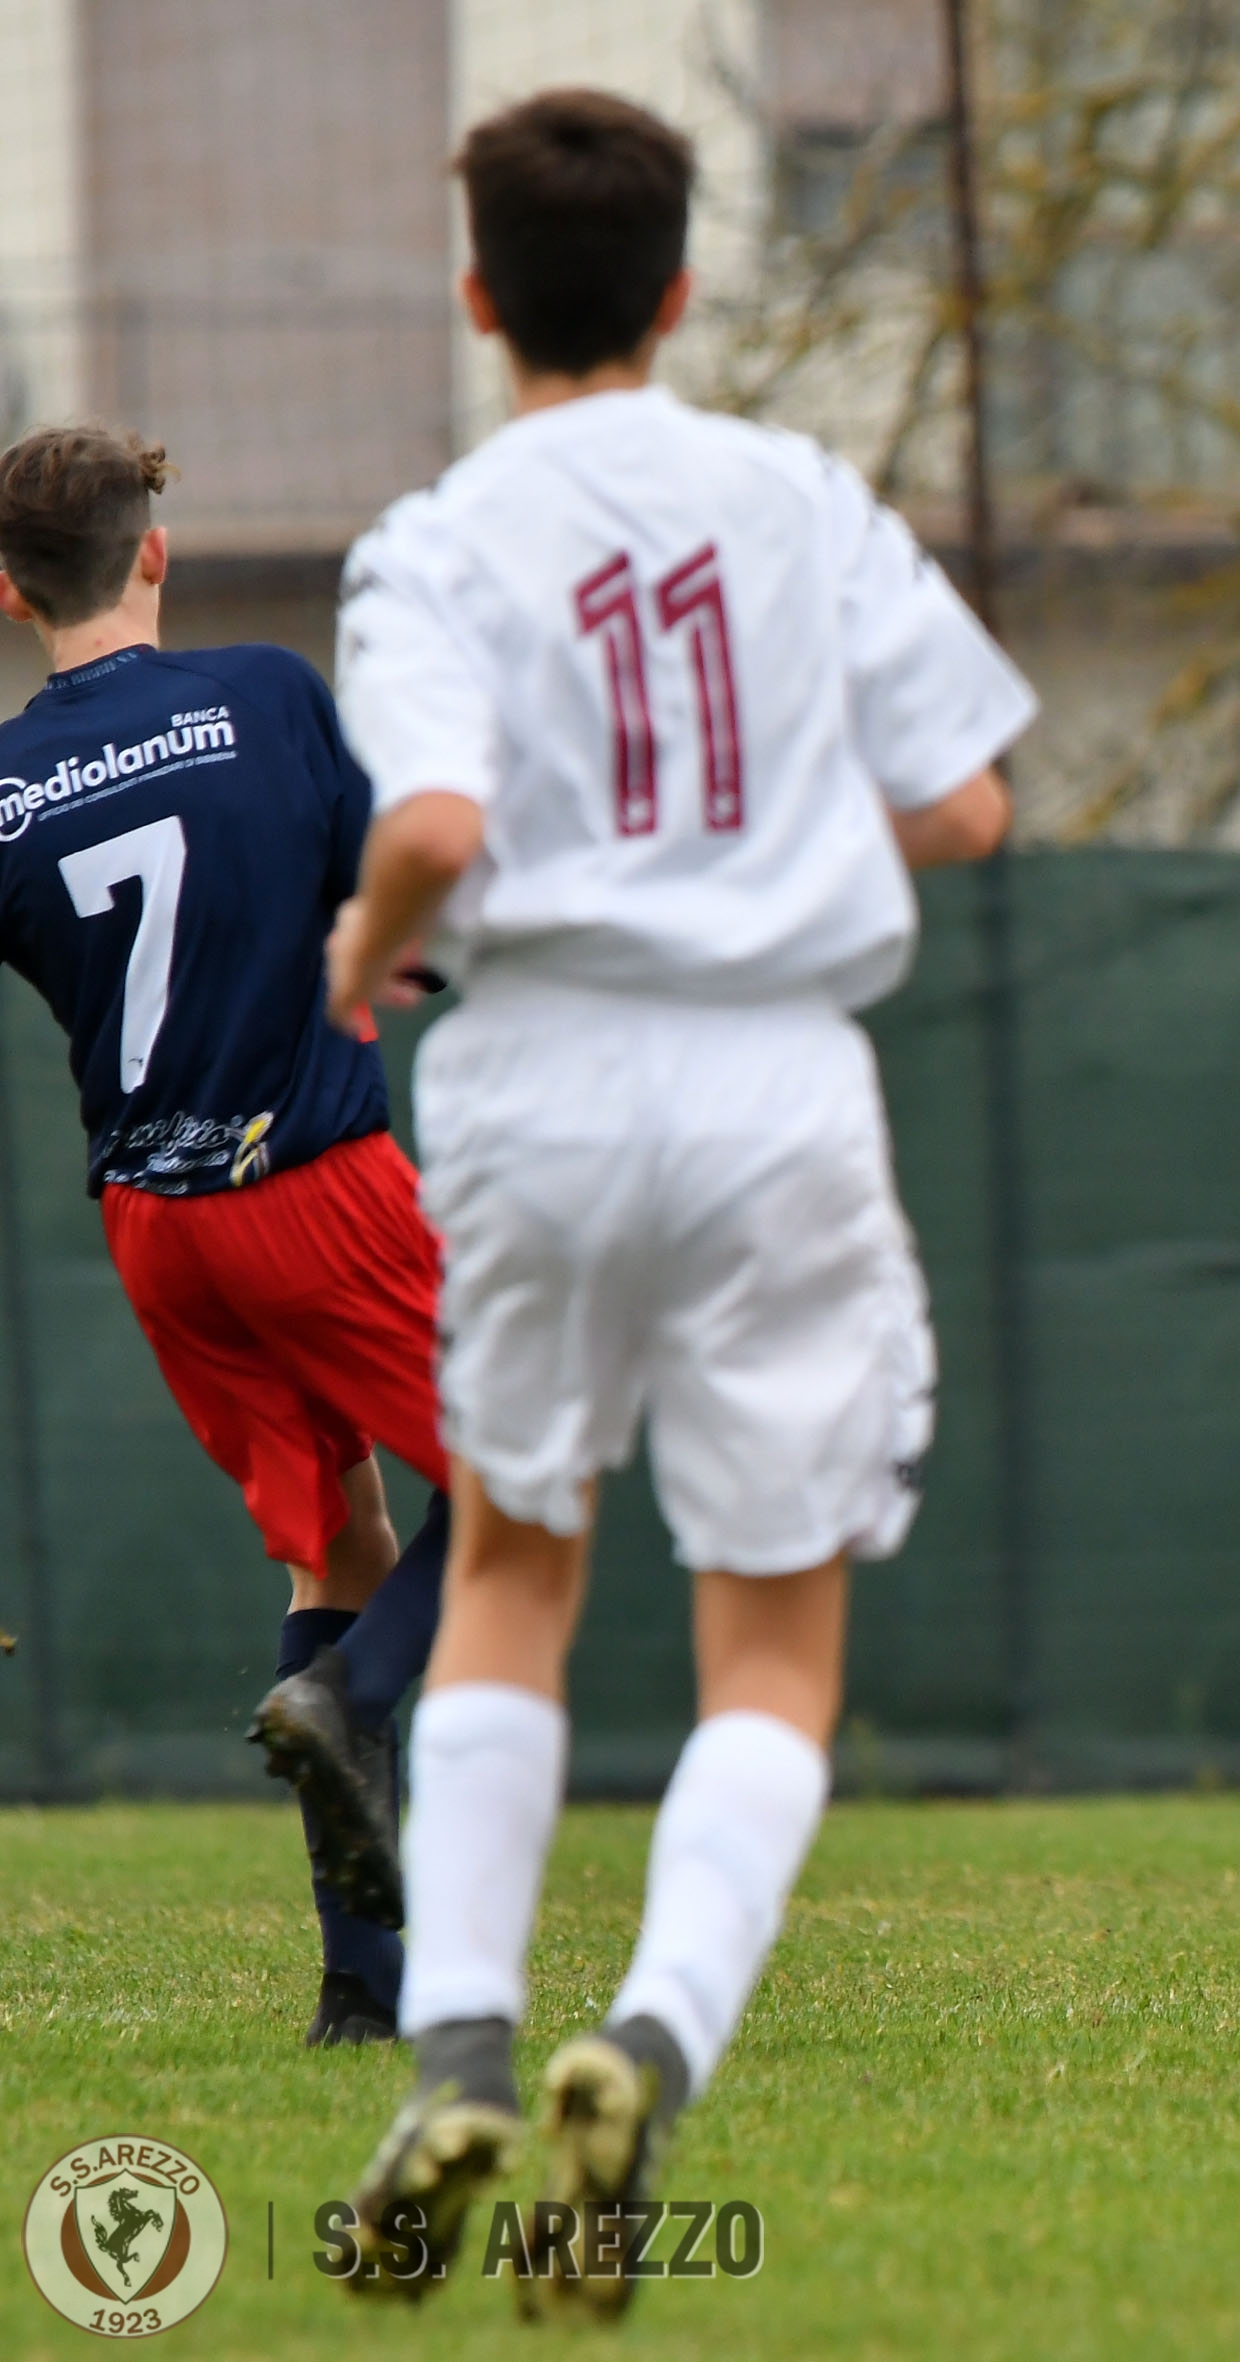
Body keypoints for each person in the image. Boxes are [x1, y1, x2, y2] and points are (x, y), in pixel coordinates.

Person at [321, 90, 1029, 2315]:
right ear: (683, 288)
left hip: (533, 1072)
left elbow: (431, 826)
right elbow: (976, 799)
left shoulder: (435, 538)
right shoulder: (799, 496)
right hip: (774, 1088)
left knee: (516, 1567)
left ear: (475, 298)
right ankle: (641, 2039)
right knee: (772, 1637)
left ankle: (449, 2043)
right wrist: (778, 857)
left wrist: (360, 953)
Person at [0, 425, 450, 2047]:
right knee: (537, 1481)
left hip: (155, 1222)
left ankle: (359, 1993)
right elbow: (390, 902)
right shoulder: (265, 691)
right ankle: (348, 1692)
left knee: (339, 1541)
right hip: (310, 1178)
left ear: (7, 590)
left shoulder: (0, 788)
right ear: (156, 552)